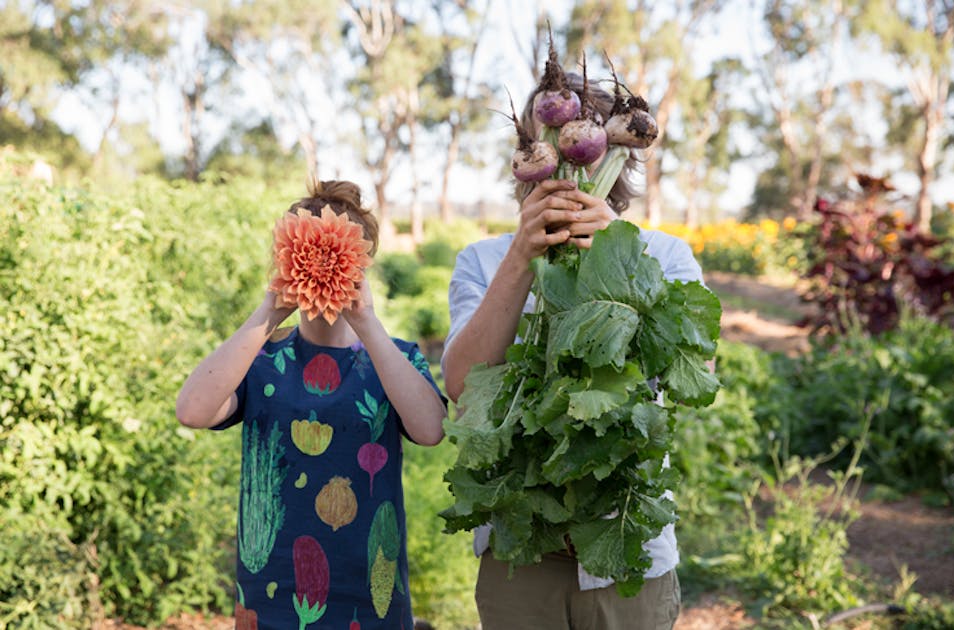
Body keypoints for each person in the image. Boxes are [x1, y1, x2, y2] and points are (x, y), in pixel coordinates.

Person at [441, 74, 703, 630]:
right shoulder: (485, 261)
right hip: (521, 554)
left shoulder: (664, 255)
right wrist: (520, 257)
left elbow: (693, 374)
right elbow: (463, 387)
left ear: (613, 153)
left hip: (627, 545)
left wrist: (618, 255)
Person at [176, 179, 447, 629]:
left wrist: (368, 324)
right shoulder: (260, 361)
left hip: (371, 599)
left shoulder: (393, 359)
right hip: (272, 601)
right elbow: (192, 410)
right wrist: (268, 312)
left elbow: (430, 430)